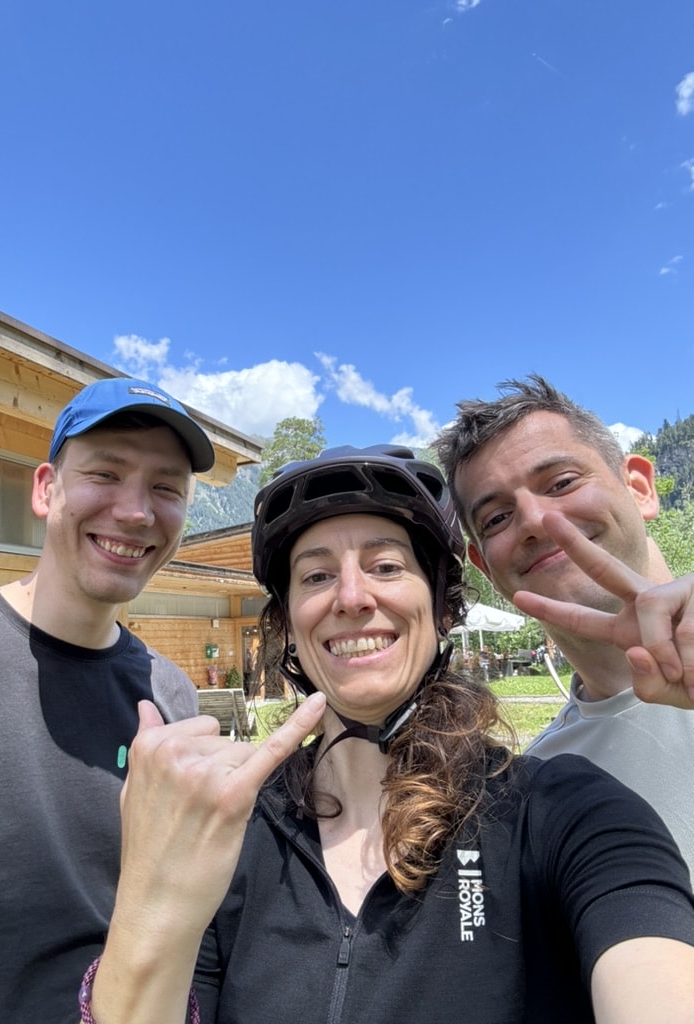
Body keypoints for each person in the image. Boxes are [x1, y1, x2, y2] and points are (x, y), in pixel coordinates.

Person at [81, 444, 694, 1024]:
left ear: (442, 607)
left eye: (386, 566)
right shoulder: (233, 827)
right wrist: (146, 895)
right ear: (288, 625)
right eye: (316, 577)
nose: (352, 597)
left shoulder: (563, 813)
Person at [0, 377, 215, 1023]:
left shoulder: (172, 694)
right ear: (45, 489)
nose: (136, 512)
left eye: (166, 488)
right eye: (105, 474)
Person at [433, 374, 694, 872]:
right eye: (496, 518)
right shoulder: (536, 789)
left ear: (639, 488)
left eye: (561, 483)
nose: (535, 520)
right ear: (484, 566)